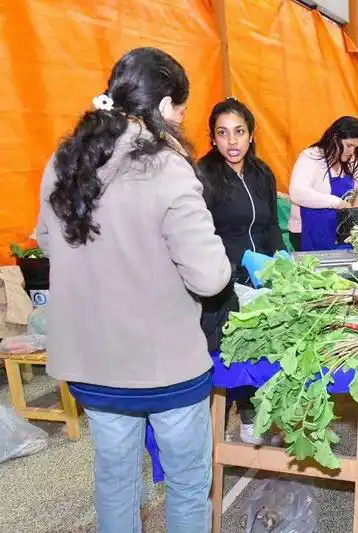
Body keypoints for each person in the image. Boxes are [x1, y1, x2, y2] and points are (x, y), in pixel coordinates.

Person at [36, 48, 231, 532]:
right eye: (181, 110)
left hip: (94, 364)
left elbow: (46, 241)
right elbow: (209, 277)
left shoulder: (65, 159)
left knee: (115, 480)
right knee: (187, 485)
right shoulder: (166, 167)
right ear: (164, 107)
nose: (181, 121)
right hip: (164, 369)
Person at [197, 97, 283, 445]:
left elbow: (271, 225)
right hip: (225, 282)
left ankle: (264, 410)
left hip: (261, 276)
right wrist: (234, 265)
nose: (232, 142)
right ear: (213, 137)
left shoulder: (262, 174)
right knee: (240, 349)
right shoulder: (202, 175)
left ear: (251, 135)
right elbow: (200, 235)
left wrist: (278, 261)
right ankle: (247, 418)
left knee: (267, 343)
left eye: (239, 132)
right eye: (223, 133)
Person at [288, 116, 358, 251]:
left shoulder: (349, 158)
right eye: (349, 145)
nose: (352, 151)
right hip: (308, 231)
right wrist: (338, 203)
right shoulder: (311, 157)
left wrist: (357, 208)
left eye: (355, 147)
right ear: (335, 137)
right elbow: (297, 193)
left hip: (338, 230)